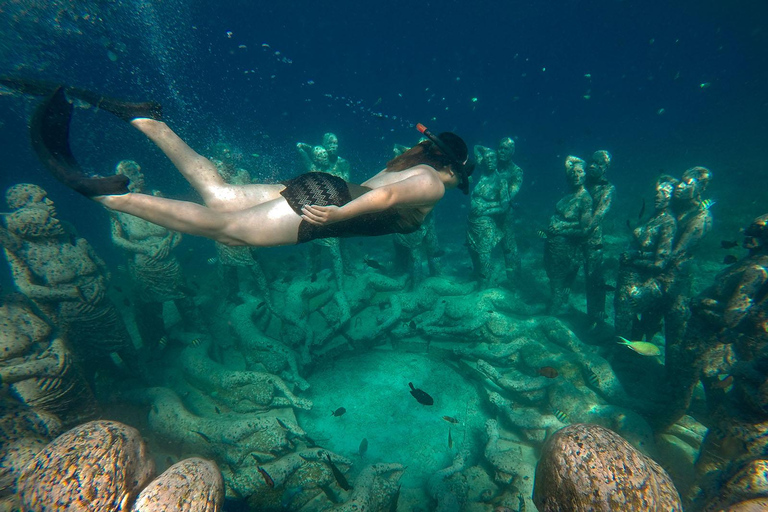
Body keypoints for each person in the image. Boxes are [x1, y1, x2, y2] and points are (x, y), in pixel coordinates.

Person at [27, 86, 473, 248]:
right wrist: (339, 216)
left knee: (219, 197)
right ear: (452, 168)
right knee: (226, 231)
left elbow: (385, 188)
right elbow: (389, 198)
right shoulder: (433, 183)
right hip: (327, 205)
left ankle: (146, 119)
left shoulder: (406, 164)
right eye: (461, 177)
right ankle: (107, 194)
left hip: (325, 187)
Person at [543, 156, 593, 315]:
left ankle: (554, 313)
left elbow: (584, 229)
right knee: (553, 280)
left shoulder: (585, 199)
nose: (576, 175)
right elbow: (568, 159)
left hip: (566, 248)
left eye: (580, 172)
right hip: (553, 246)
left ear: (586, 175)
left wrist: (561, 228)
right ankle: (558, 306)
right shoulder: (570, 194)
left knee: (559, 281)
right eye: (573, 172)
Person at [583, 150, 615, 323]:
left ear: (606, 168)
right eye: (591, 162)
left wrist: (581, 230)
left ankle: (596, 318)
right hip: (575, 237)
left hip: (592, 240)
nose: (593, 166)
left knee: (594, 279)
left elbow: (599, 215)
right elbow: (569, 161)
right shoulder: (582, 181)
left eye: (599, 164)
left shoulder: (608, 189)